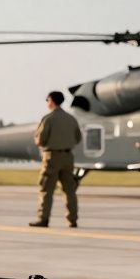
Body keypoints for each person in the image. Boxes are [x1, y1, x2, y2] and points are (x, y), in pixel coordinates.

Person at [30, 90, 82, 228]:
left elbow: (40, 140)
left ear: (52, 101)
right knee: (69, 190)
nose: (47, 102)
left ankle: (43, 219)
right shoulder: (71, 119)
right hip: (68, 157)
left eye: (47, 100)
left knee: (46, 189)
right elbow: (78, 138)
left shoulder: (48, 118)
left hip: (51, 157)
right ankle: (72, 220)